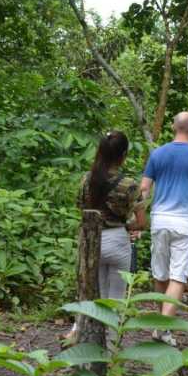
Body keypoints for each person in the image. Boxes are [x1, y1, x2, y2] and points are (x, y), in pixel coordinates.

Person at [141, 112, 188, 346]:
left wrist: (139, 217)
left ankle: (159, 324)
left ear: (174, 126)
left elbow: (144, 189)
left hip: (160, 219)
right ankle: (163, 330)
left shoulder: (158, 153)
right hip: (185, 221)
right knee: (178, 276)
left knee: (160, 273)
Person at [68, 130, 146, 343]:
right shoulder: (129, 184)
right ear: (123, 154)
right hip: (118, 242)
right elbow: (141, 222)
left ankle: (83, 342)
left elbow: (81, 209)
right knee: (116, 300)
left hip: (90, 242)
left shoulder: (87, 180)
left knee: (93, 297)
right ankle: (110, 353)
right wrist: (128, 224)